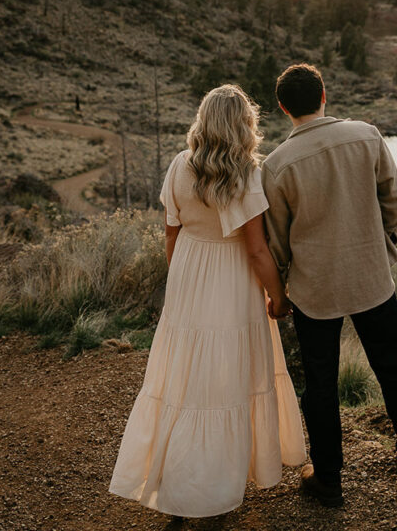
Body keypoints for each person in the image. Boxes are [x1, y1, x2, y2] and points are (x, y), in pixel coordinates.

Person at [109, 85, 306, 519]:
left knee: (184, 380)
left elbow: (171, 232)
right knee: (227, 378)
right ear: (243, 126)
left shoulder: (180, 164)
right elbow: (256, 251)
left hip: (189, 271)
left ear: (203, 120)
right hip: (231, 278)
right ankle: (211, 492)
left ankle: (179, 485)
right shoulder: (246, 173)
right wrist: (279, 297)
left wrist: (180, 281)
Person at [261, 63, 397, 508]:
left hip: (316, 290)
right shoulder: (366, 135)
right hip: (373, 277)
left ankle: (329, 479)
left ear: (282, 108)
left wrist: (282, 286)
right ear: (324, 95)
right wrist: (382, 240)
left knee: (320, 383)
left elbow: (275, 240)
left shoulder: (276, 167)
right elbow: (395, 201)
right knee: (392, 366)